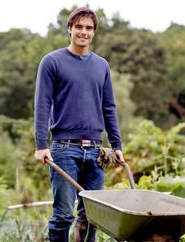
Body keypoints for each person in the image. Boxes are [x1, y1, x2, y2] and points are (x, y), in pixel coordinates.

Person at [34, 7, 124, 242]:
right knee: (63, 215)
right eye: (79, 27)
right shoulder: (52, 62)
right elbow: (42, 104)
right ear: (70, 29)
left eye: (89, 28)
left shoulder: (101, 65)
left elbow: (109, 107)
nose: (83, 32)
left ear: (94, 33)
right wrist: (41, 144)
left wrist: (117, 145)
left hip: (96, 151)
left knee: (92, 216)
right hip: (64, 149)